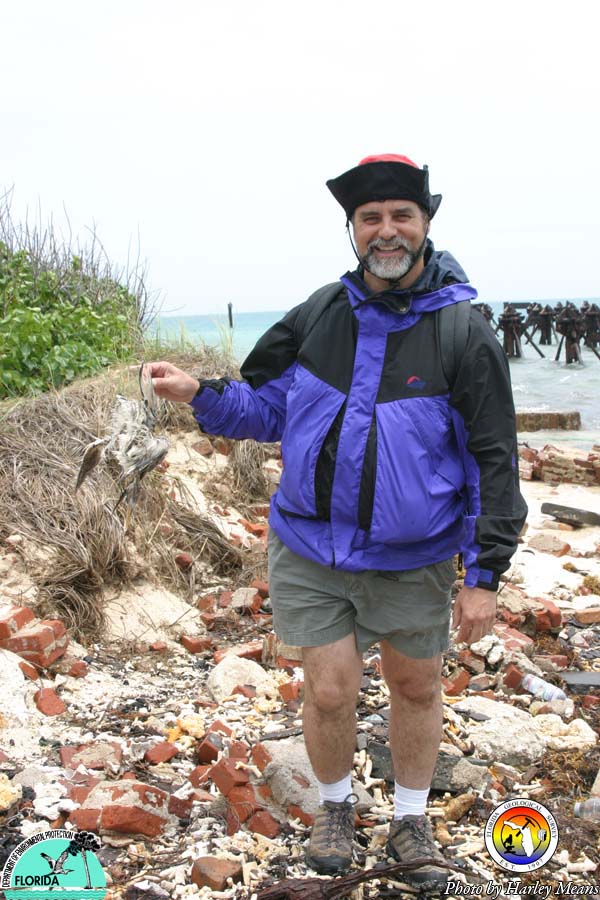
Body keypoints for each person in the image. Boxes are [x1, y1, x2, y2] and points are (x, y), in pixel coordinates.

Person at [149, 154, 527, 891]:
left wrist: (484, 574)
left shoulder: (464, 333)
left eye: (401, 216)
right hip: (310, 546)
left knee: (416, 687)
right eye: (370, 219)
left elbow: (493, 458)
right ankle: (335, 807)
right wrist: (201, 393)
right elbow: (263, 409)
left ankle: (412, 817)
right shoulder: (318, 314)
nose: (386, 231)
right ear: (353, 230)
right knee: (326, 691)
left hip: (413, 556)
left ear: (425, 224)